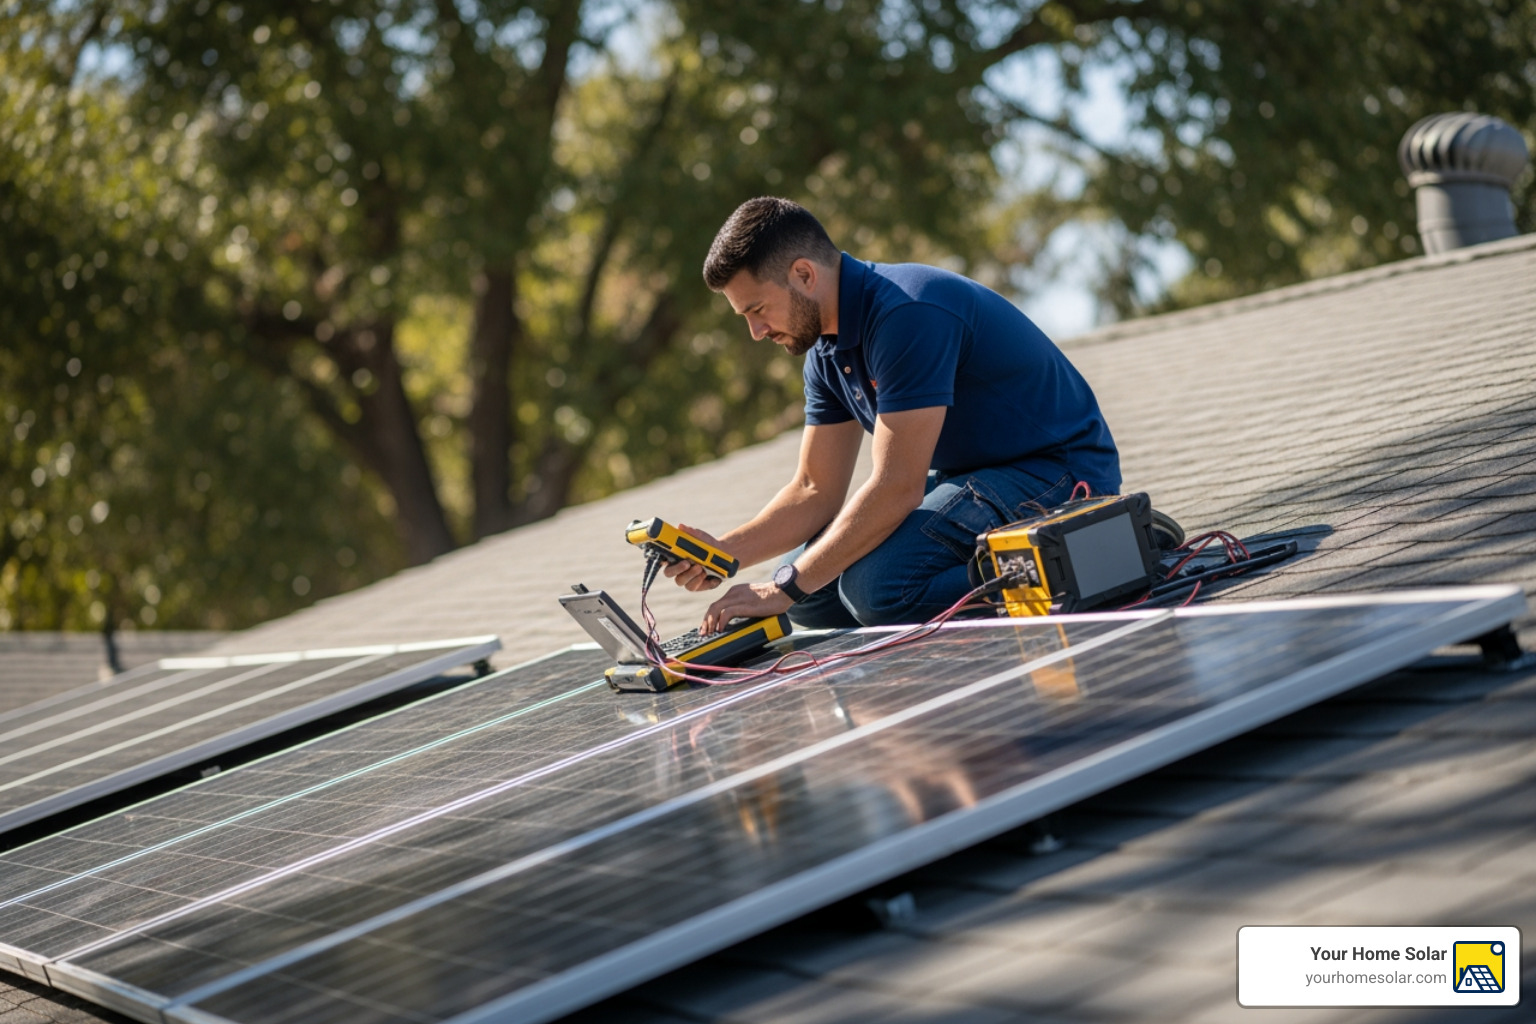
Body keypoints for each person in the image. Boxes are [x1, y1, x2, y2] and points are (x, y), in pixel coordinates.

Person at [672, 197, 1120, 633]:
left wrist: (783, 590)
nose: (755, 332)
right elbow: (814, 489)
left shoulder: (906, 313)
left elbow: (897, 486)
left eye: (757, 309)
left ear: (804, 274)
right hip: (976, 479)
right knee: (813, 596)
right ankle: (978, 571)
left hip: (1058, 472)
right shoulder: (826, 352)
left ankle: (1072, 557)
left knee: (876, 592)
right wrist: (723, 552)